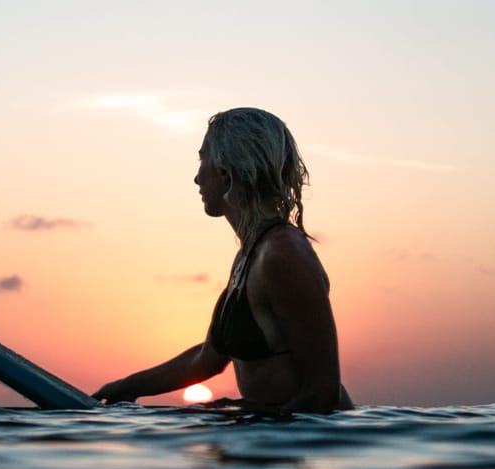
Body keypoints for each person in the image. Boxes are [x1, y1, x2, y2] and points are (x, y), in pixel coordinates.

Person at [94, 107, 352, 414]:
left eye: (203, 160)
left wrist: (245, 415)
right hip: (269, 448)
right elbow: (207, 359)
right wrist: (128, 387)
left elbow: (322, 393)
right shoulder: (250, 255)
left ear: (226, 173)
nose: (196, 177)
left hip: (299, 450)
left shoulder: (283, 254)